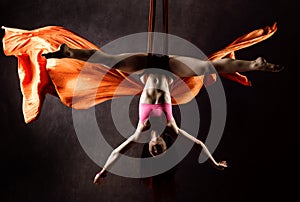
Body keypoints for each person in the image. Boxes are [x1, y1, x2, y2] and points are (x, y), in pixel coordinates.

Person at [42, 43, 282, 184]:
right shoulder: (172, 127)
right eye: (162, 152)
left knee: (109, 61)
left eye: (153, 152)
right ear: (166, 146)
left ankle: (69, 52)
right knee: (208, 67)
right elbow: (198, 143)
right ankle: (254, 64)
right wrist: (214, 162)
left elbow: (117, 150)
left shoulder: (140, 131)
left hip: (144, 66)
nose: (157, 150)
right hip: (170, 68)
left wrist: (103, 171)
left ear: (149, 148)